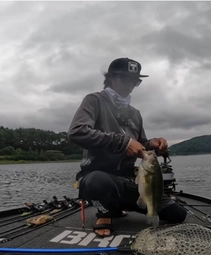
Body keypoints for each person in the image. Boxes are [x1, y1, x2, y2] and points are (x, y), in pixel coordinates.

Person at [68, 57, 187, 237]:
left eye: (136, 81)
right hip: (98, 179)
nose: (131, 84)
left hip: (127, 182)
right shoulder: (94, 101)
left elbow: (142, 145)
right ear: (111, 78)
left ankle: (118, 205)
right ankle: (105, 213)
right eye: (126, 79)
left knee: (177, 214)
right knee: (96, 181)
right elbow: (77, 132)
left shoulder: (135, 114)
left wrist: (153, 144)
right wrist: (123, 142)